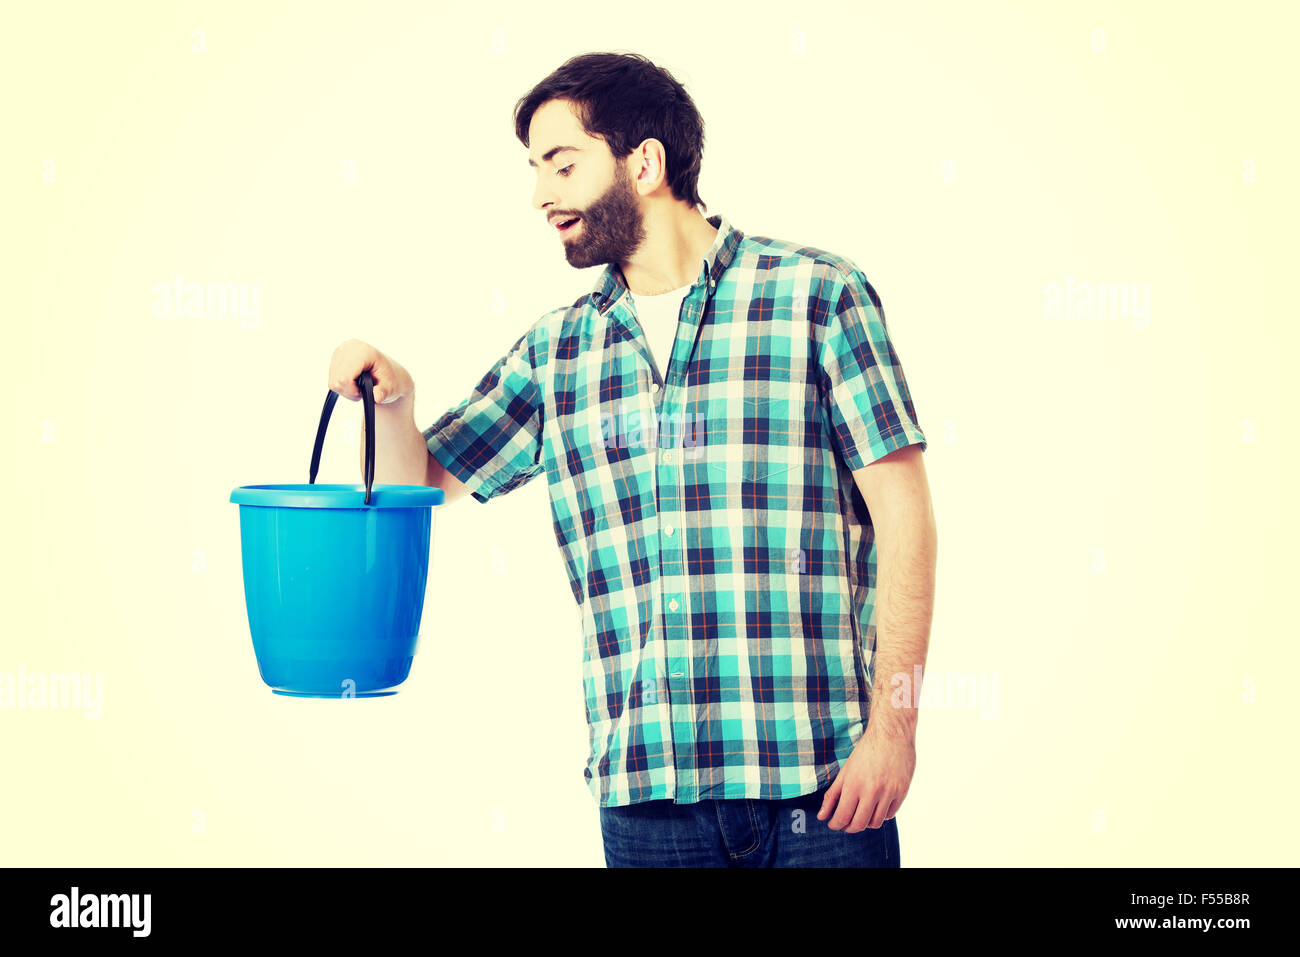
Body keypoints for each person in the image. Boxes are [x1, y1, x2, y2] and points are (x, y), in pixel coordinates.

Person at [329, 52, 938, 868]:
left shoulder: (818, 296)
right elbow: (419, 487)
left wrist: (894, 728)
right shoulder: (558, 350)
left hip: (825, 791)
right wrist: (397, 399)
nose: (541, 195)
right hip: (649, 802)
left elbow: (906, 517)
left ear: (643, 163)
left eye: (563, 164)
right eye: (535, 170)